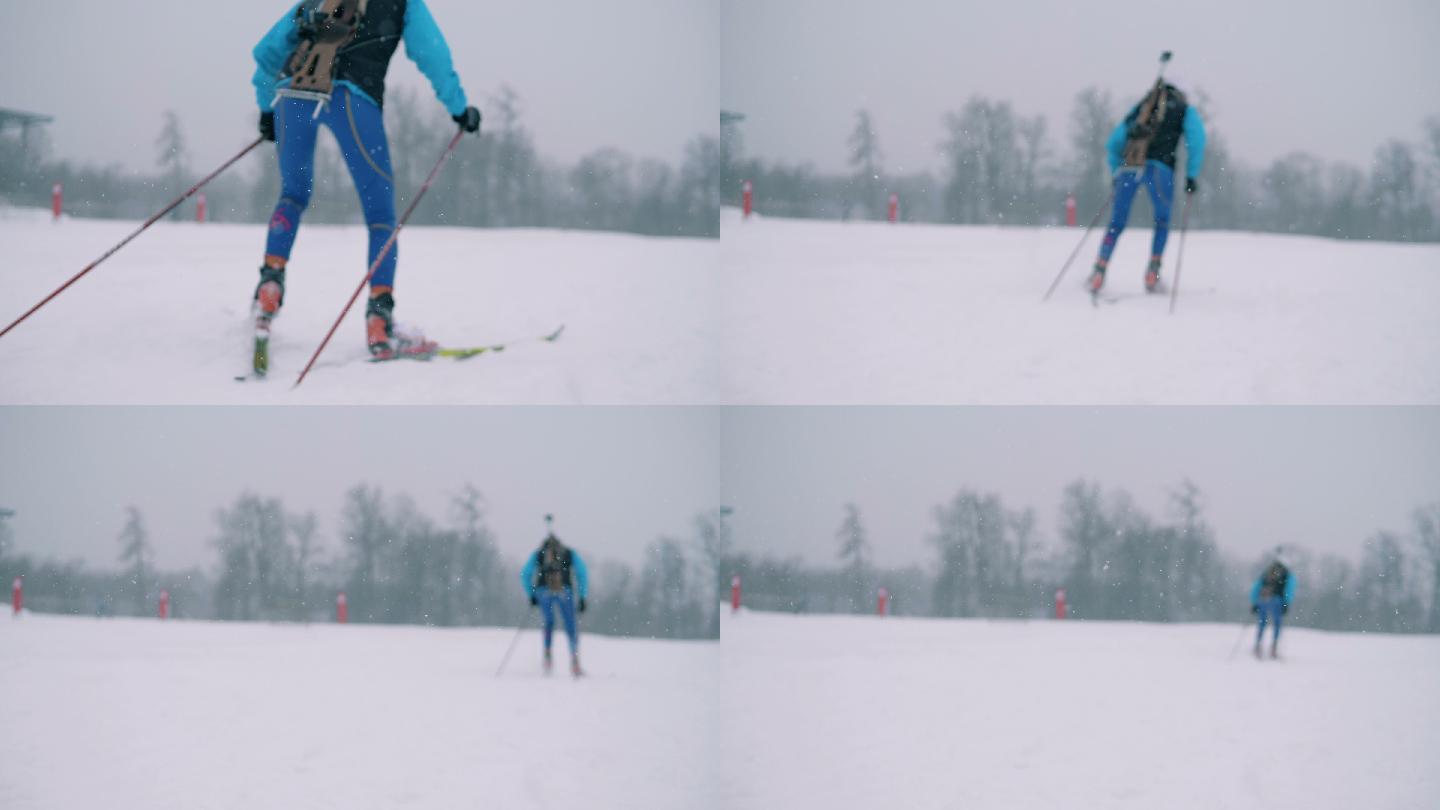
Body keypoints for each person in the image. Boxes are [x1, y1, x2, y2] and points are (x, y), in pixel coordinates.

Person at [250, 0, 482, 358]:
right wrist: (459, 108)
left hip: (292, 94)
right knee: (380, 217)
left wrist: (268, 109)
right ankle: (379, 320)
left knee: (293, 195)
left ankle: (269, 287)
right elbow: (433, 54)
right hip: (352, 97)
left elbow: (268, 50)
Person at [1089, 80, 1206, 295]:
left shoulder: (1142, 108)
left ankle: (1099, 269)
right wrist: (1191, 175)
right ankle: (1153, 272)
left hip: (1130, 166)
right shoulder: (1183, 110)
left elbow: (1114, 141)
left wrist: (1116, 170)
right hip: (1161, 169)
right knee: (1161, 221)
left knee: (1116, 222)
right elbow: (1197, 140)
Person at [520, 529, 590, 676]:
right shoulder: (569, 553)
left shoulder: (539, 554)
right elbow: (582, 573)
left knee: (548, 622)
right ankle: (574, 659)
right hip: (565, 591)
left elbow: (525, 574)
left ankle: (547, 655)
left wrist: (531, 594)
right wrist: (583, 596)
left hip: (543, 591)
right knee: (570, 624)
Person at [1249, 549, 1296, 659]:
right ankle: (1273, 648)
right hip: (1277, 600)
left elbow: (1257, 586)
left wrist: (1254, 602)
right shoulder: (1287, 574)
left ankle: (1258, 645)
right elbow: (1289, 590)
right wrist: (1286, 603)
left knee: (1262, 623)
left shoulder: (1267, 572)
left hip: (1263, 599)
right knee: (1277, 624)